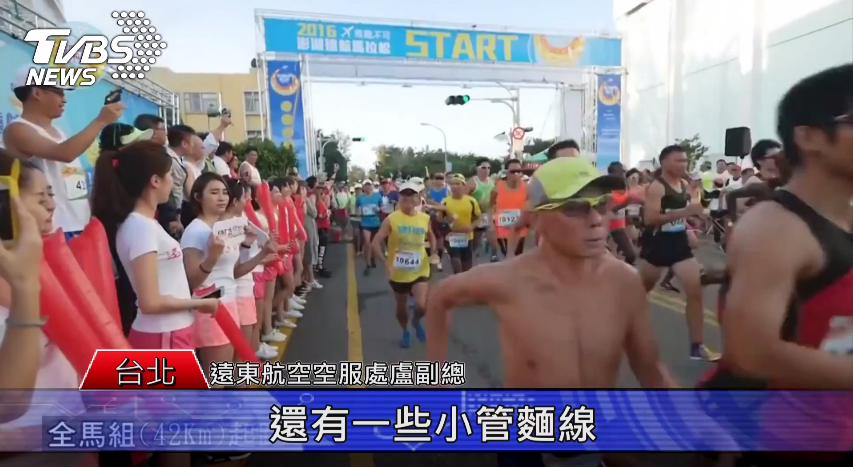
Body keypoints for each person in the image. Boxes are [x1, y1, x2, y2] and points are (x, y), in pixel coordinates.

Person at [426, 157, 677, 467]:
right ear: (538, 218)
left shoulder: (624, 281)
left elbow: (650, 368)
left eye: (602, 204)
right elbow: (439, 298)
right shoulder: (507, 280)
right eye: (575, 208)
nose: (597, 219)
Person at [2, 67, 124, 239]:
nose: (64, 99)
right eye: (58, 92)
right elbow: (65, 153)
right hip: (53, 229)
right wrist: (101, 121)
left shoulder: (58, 132)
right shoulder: (17, 130)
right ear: (37, 93)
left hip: (79, 224)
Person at [636, 146, 718, 362]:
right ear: (664, 163)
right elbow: (650, 219)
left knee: (695, 292)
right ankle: (622, 332)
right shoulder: (656, 187)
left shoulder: (682, 185)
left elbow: (684, 213)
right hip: (657, 244)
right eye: (678, 161)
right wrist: (684, 213)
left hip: (679, 243)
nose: (684, 164)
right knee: (637, 295)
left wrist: (694, 220)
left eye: (685, 160)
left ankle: (697, 346)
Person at [180, 174, 244, 379]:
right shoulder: (195, 231)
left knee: (225, 374)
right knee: (216, 379)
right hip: (211, 308)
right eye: (214, 192)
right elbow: (193, 281)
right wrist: (213, 256)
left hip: (229, 302)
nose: (222, 197)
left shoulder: (219, 228)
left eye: (225, 192)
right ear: (198, 197)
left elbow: (230, 272)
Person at [372, 180, 437, 348]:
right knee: (401, 309)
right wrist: (386, 263)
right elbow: (375, 242)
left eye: (412, 195)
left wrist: (434, 253)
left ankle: (416, 322)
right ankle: (405, 331)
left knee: (422, 306)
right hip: (398, 272)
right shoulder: (392, 219)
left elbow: (431, 235)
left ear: (418, 198)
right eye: (404, 195)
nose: (408, 198)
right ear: (399, 198)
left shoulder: (425, 218)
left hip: (420, 268)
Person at [159, 124, 196, 238]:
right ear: (184, 143)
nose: (193, 145)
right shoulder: (172, 161)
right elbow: (175, 193)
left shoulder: (167, 155)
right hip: (169, 215)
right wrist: (176, 219)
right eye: (192, 141)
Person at [439, 174, 481, 274]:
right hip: (451, 237)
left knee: (467, 268)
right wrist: (447, 224)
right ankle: (457, 282)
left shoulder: (471, 201)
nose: (454, 186)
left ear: (463, 185)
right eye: (452, 184)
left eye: (457, 184)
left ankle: (464, 285)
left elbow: (479, 218)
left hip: (467, 238)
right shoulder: (445, 201)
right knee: (456, 263)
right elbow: (439, 220)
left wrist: (471, 226)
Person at [492, 159, 528, 259]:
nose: (516, 174)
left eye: (518, 171)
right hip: (503, 229)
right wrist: (491, 225)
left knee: (517, 256)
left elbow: (531, 206)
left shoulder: (527, 187)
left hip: (519, 229)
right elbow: (490, 205)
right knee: (509, 256)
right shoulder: (498, 187)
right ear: (506, 172)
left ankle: (514, 273)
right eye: (513, 171)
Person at [606, 162, 638, 265]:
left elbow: (625, 203)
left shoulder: (624, 185)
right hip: (607, 228)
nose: (623, 173)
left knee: (631, 255)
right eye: (620, 171)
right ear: (612, 172)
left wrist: (627, 215)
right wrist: (623, 205)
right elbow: (606, 211)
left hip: (619, 227)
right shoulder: (605, 188)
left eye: (623, 171)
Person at [467, 157, 496, 259]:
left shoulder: (492, 181)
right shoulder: (472, 182)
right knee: (476, 240)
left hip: (488, 213)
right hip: (475, 215)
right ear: (477, 168)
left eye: (488, 168)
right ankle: (473, 255)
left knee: (492, 233)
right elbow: (464, 198)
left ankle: (494, 255)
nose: (486, 170)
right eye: (483, 167)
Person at [356, 179, 384, 275]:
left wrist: (379, 209)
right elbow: (357, 209)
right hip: (365, 223)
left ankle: (373, 258)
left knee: (374, 243)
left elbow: (382, 208)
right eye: (366, 186)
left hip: (375, 222)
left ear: (372, 186)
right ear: (363, 187)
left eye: (369, 185)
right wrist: (359, 212)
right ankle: (367, 264)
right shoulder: (360, 198)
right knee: (367, 243)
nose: (367, 187)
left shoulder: (377, 196)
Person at [425, 173, 450, 271]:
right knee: (434, 238)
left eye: (441, 178)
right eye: (437, 178)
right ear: (434, 180)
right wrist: (437, 204)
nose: (439, 180)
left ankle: (438, 258)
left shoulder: (447, 190)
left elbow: (448, 203)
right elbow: (427, 201)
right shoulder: (430, 191)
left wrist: (439, 206)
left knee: (442, 242)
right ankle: (433, 259)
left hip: (444, 217)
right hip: (432, 217)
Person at [302, 177, 323, 288]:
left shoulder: (308, 198)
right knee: (309, 252)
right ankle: (310, 279)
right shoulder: (306, 199)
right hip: (307, 227)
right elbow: (314, 213)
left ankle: (308, 278)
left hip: (308, 227)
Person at [315, 185, 332, 278]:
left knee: (322, 249)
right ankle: (320, 267)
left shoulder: (321, 203)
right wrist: (326, 214)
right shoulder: (319, 204)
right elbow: (320, 216)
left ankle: (320, 266)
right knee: (322, 249)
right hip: (322, 227)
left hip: (323, 227)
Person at [349, 185, 363, 254]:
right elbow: (348, 206)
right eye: (357, 189)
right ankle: (356, 249)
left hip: (363, 219)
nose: (358, 191)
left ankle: (360, 249)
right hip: (354, 219)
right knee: (356, 234)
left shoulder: (364, 198)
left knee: (362, 235)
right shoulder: (351, 198)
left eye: (359, 189)